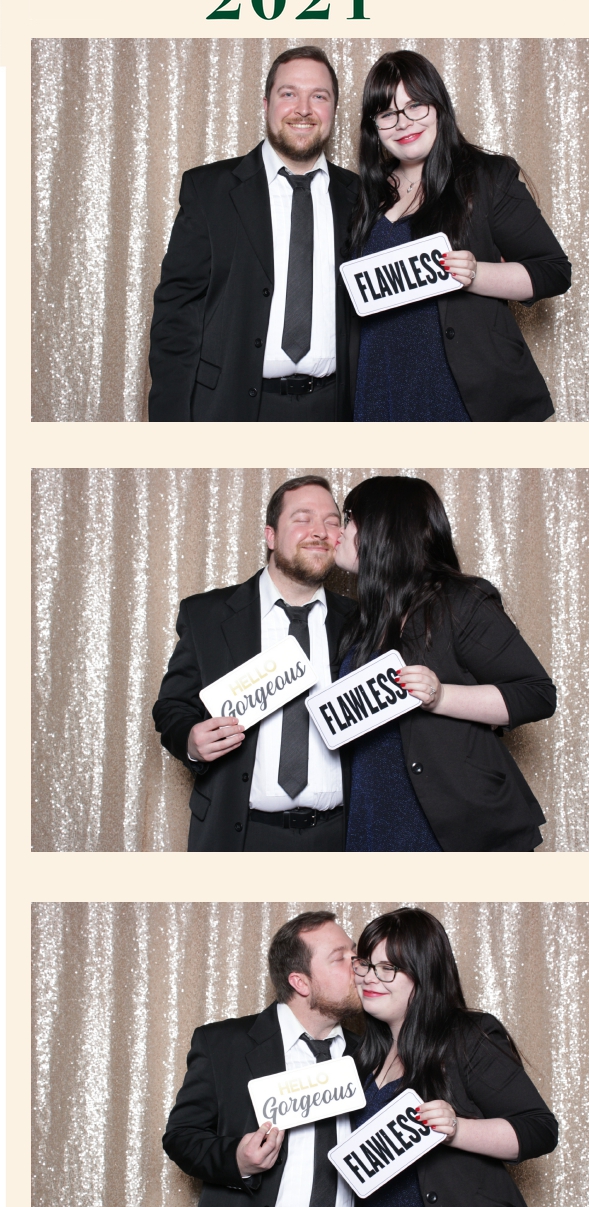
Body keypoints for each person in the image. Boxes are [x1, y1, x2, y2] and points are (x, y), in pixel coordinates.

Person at [334, 476, 556, 852]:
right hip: (374, 816)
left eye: (349, 519)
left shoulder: (460, 602)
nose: (339, 531)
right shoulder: (362, 619)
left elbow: (536, 694)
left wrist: (441, 696)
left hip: (453, 821)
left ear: (383, 528)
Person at [350, 51, 571, 422]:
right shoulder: (363, 193)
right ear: (374, 126)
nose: (403, 123)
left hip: (463, 391)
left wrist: (476, 274)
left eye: (415, 106)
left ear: (438, 107)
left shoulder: (487, 178)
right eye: (387, 113)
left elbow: (553, 271)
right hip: (380, 385)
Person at [148, 47, 358, 422]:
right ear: (266, 105)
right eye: (289, 93)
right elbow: (176, 316)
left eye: (319, 96)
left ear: (334, 110)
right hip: (231, 408)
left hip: (336, 408)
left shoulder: (362, 197)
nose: (303, 109)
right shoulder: (208, 191)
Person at [351, 908, 558, 1207]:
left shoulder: (467, 1037)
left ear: (424, 974)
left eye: (388, 968)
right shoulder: (360, 1058)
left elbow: (539, 1129)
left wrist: (456, 1130)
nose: (369, 977)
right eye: (364, 964)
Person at [153, 476, 355, 851]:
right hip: (241, 835)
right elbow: (171, 707)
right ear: (270, 535)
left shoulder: (364, 621)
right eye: (303, 518)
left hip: (341, 836)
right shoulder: (207, 615)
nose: (320, 532)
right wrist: (191, 741)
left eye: (331, 522)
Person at [163, 912, 362, 1207]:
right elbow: (181, 1137)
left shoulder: (371, 1054)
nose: (359, 966)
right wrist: (237, 1159)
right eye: (341, 958)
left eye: (356, 954)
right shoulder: (224, 1045)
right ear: (300, 982)